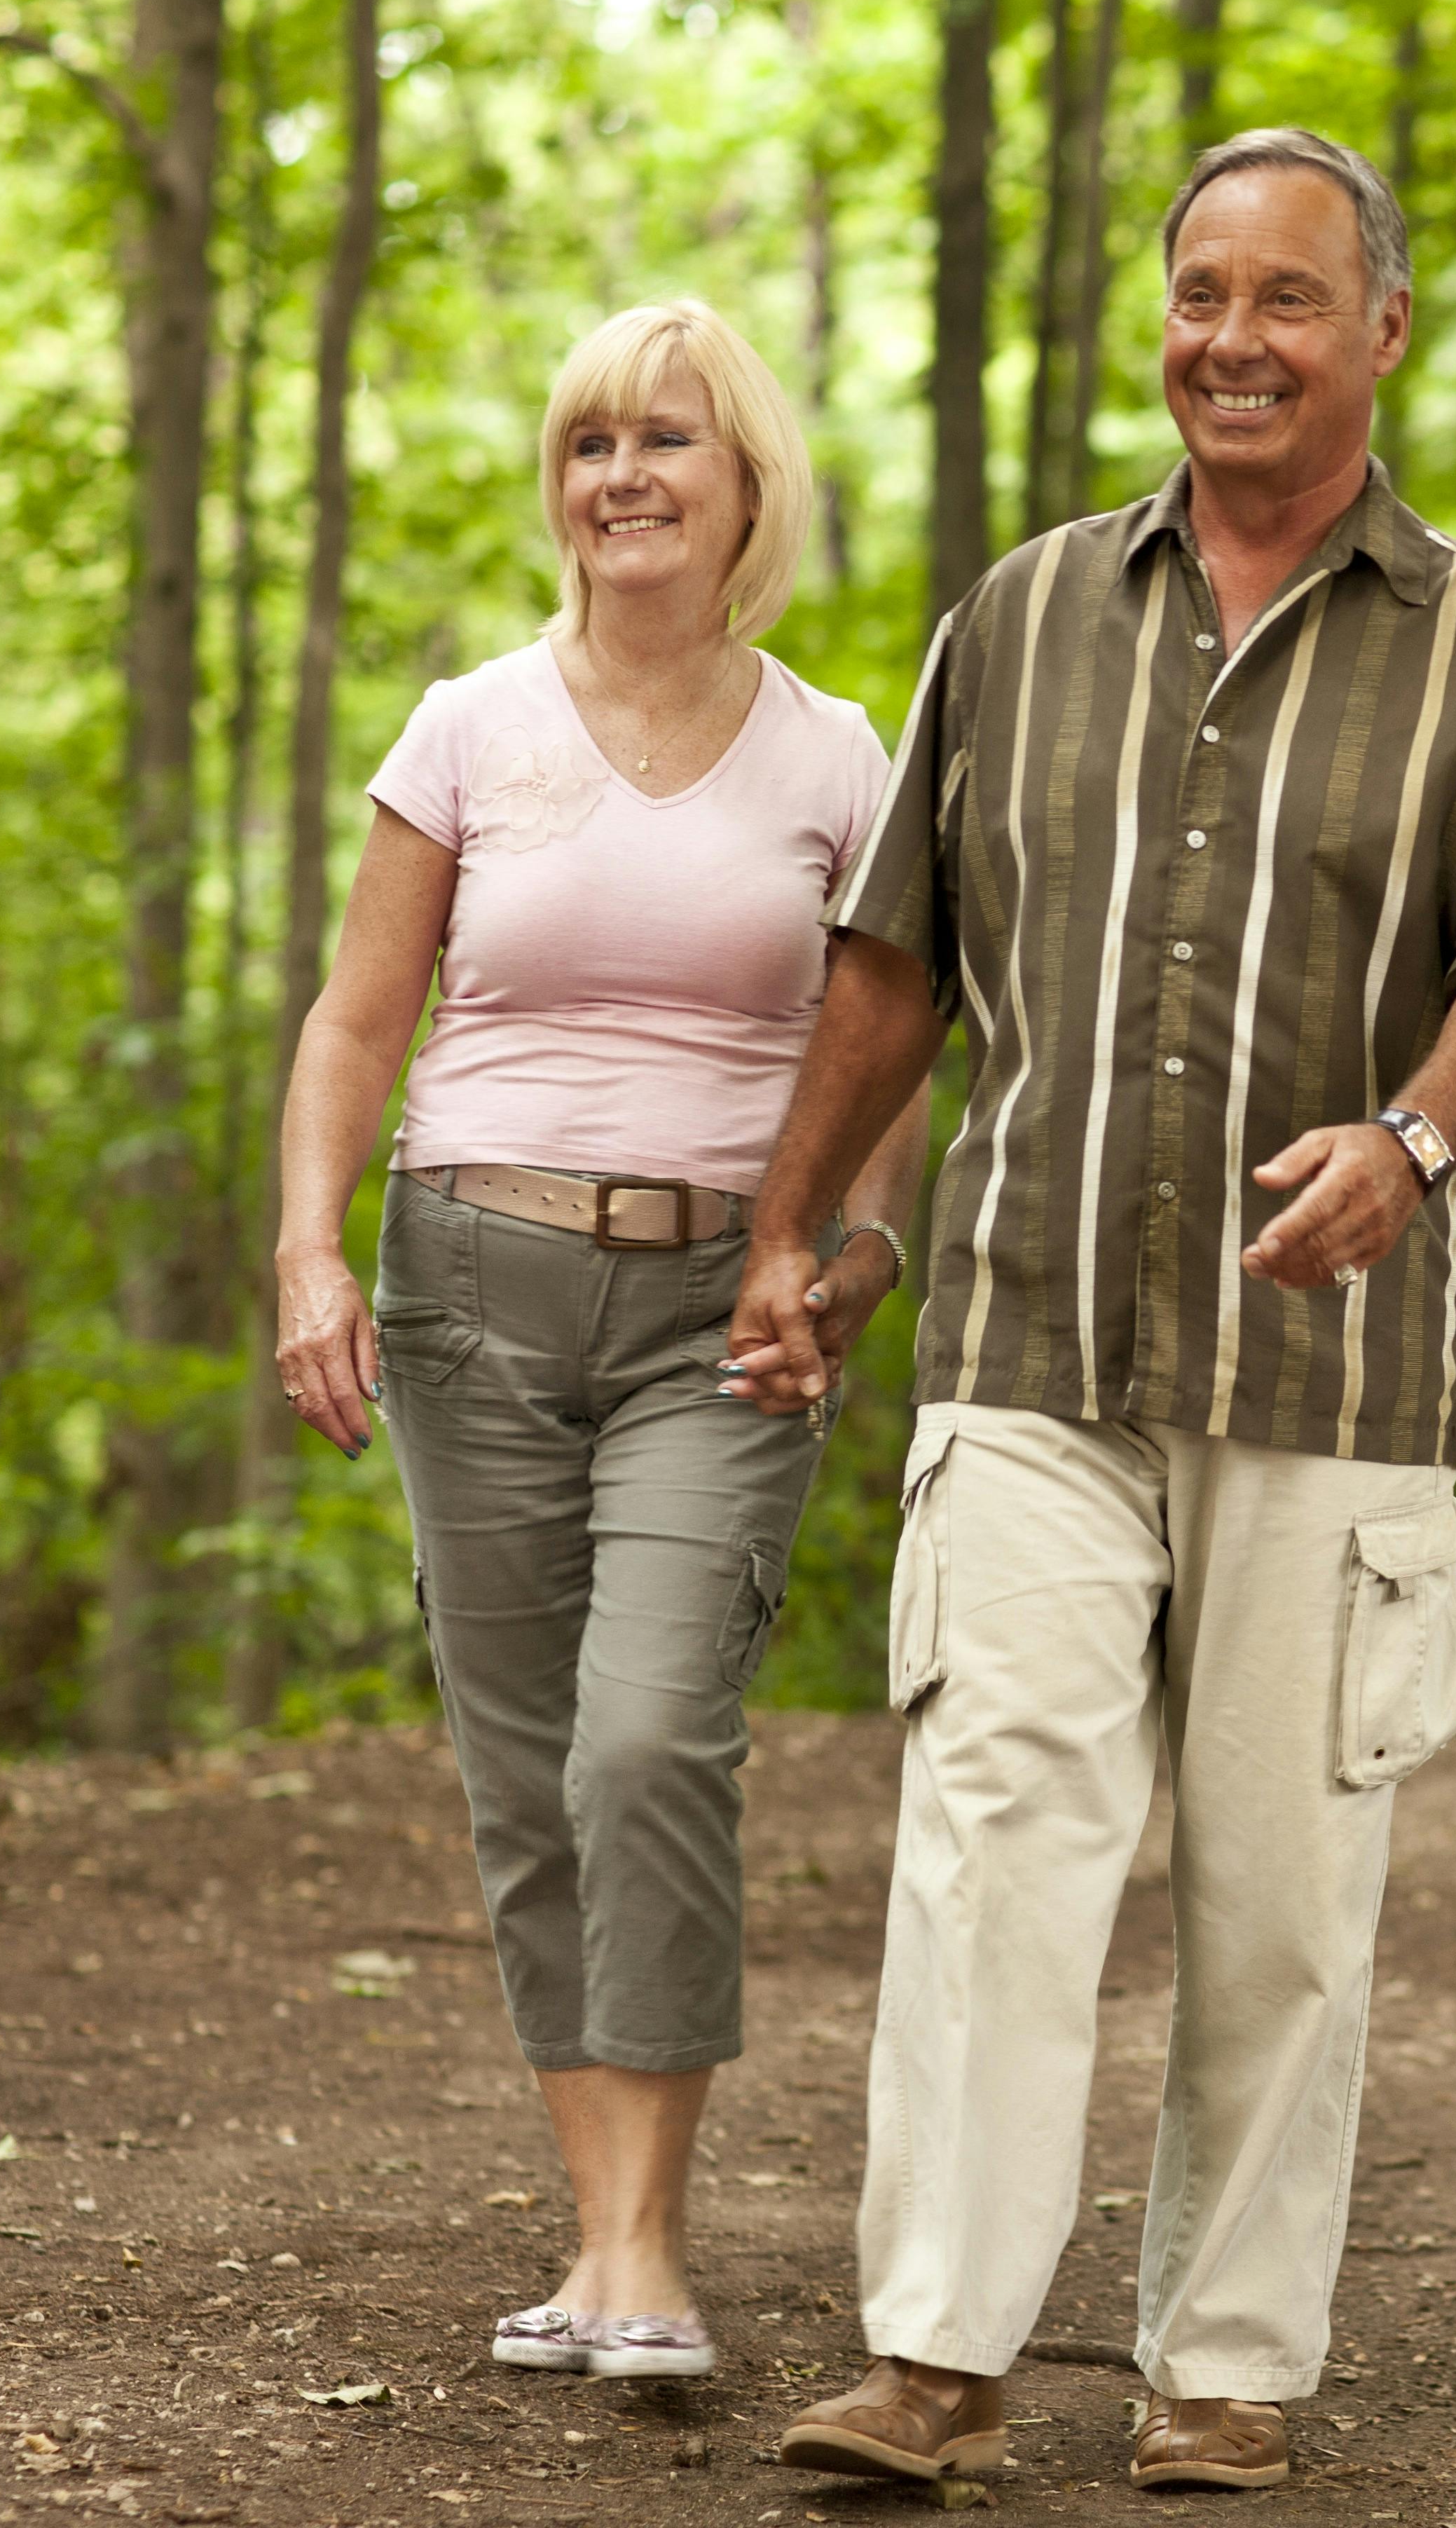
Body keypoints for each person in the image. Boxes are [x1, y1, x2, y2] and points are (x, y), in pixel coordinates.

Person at [732, 130, 1456, 2494]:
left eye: (1290, 300)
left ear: (1384, 334)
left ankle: (1226, 2360)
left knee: (1284, 1890)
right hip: (1030, 1337)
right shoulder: (1018, 617)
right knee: (994, 1833)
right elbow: (897, 955)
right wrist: (792, 1223)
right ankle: (936, 2357)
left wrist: (1415, 1142)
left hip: (1327, 1371)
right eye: (1202, 293)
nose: (1235, 338)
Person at [268, 296, 926, 2386]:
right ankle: (606, 2243)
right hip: (471, 1289)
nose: (623, 475)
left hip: (718, 1316)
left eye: (668, 441)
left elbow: (892, 1045)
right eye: (588, 444)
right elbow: (358, 1017)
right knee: (525, 1775)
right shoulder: (468, 724)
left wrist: (864, 1254)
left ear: (748, 488)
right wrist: (310, 1255)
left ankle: (648, 2252)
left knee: (650, 1738)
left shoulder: (838, 754)